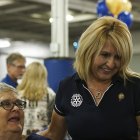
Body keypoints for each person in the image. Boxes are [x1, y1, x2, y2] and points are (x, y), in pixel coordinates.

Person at [38, 16, 140, 140]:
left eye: (118, 57)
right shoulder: (67, 87)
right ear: (88, 52)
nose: (111, 64)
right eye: (105, 55)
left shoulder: (134, 87)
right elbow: (54, 134)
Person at [17, 62, 56, 136]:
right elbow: (54, 121)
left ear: (26, 75)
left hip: (21, 136)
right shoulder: (51, 94)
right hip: (42, 136)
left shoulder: (17, 94)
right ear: (43, 76)